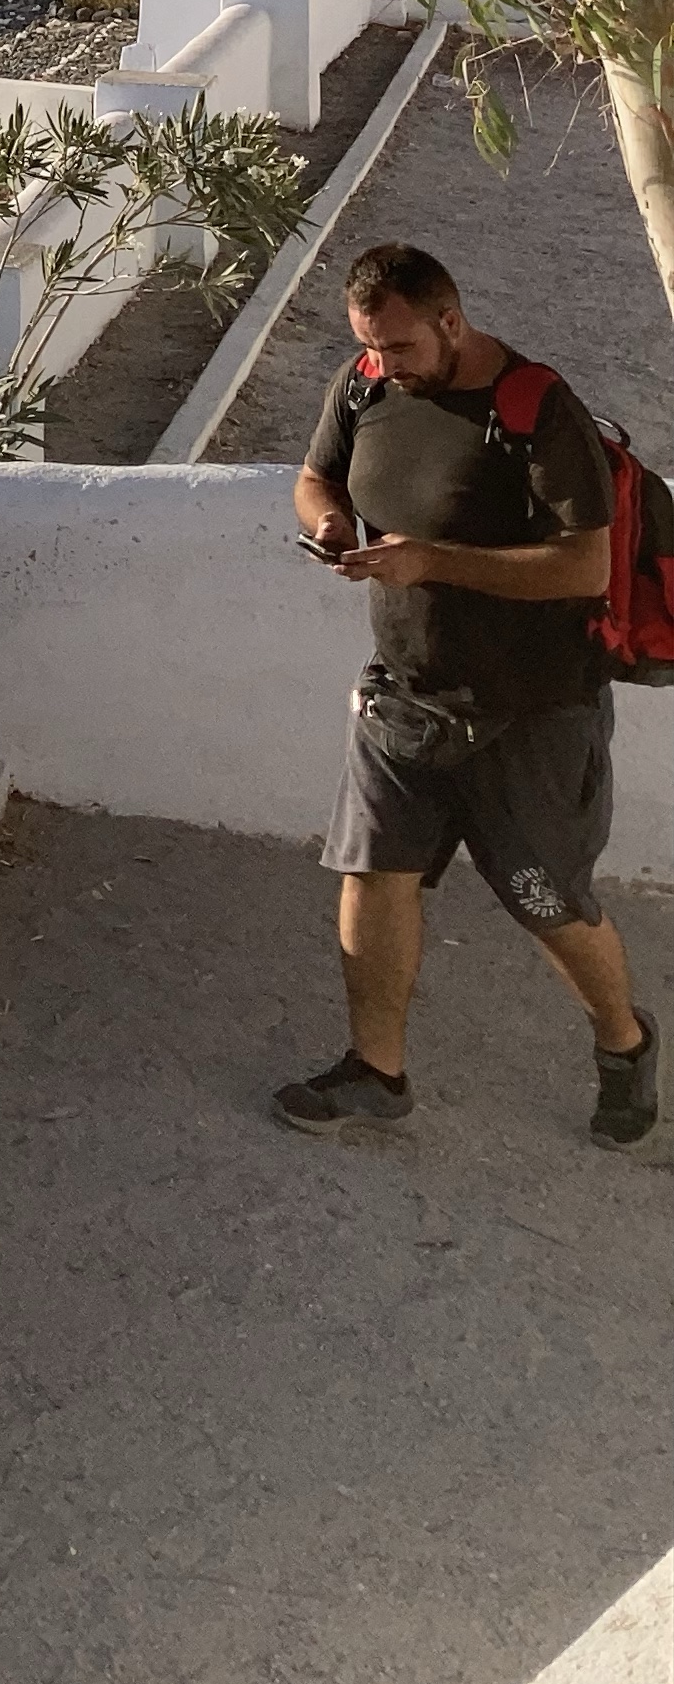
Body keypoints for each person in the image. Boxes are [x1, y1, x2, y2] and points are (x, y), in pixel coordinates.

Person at [278, 240, 656, 1147]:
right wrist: (327, 521)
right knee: (373, 874)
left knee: (547, 900)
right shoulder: (364, 385)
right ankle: (377, 1072)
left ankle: (626, 1044)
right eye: (371, 344)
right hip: (403, 696)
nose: (386, 364)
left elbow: (583, 566)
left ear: (451, 321)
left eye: (402, 346)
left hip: (531, 715)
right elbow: (313, 476)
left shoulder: (536, 408)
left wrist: (431, 560)